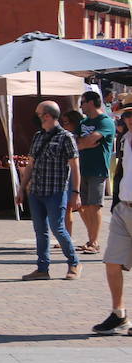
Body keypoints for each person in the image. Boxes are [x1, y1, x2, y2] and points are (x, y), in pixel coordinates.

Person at [16, 100, 81, 281]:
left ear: (47, 115)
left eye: (38, 114)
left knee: (58, 228)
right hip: (36, 191)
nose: (35, 117)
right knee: (40, 231)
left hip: (55, 191)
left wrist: (75, 193)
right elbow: (30, 165)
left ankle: (74, 263)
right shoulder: (38, 136)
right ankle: (42, 268)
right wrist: (21, 188)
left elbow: (75, 167)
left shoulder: (66, 137)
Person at [92, 105, 132, 335]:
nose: (128, 119)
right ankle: (119, 314)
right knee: (112, 262)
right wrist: (116, 202)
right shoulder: (125, 140)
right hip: (123, 208)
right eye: (126, 115)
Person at [76, 90, 115, 254]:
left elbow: (92, 139)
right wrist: (84, 143)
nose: (81, 106)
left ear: (91, 102)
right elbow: (74, 143)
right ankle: (91, 239)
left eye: (82, 103)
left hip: (97, 169)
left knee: (94, 206)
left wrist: (84, 143)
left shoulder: (105, 121)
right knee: (82, 206)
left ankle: (94, 242)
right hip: (81, 168)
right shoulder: (83, 122)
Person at [59, 110, 83, 240]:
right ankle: (65, 236)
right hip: (65, 175)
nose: (64, 125)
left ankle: (67, 236)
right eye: (63, 123)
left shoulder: (74, 137)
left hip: (72, 175)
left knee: (70, 208)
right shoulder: (66, 136)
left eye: (67, 123)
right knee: (65, 209)